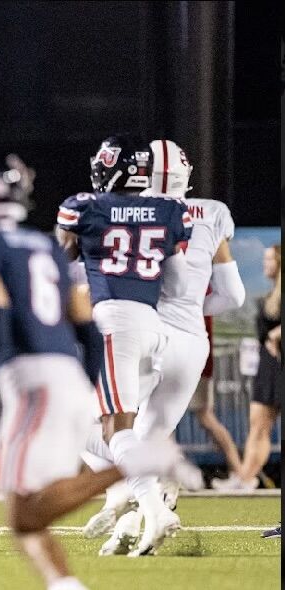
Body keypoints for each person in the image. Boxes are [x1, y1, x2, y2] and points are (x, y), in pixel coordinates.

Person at [0, 175, 200, 590]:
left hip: (33, 384)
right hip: (70, 374)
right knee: (29, 512)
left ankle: (141, 462)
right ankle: (65, 582)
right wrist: (86, 385)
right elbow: (86, 328)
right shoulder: (44, 249)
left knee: (25, 513)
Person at [84, 140, 245, 555]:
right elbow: (233, 297)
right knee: (144, 437)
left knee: (99, 429)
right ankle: (137, 518)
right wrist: (192, 309)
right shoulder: (212, 212)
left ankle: (141, 493)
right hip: (192, 341)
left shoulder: (131, 212)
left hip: (144, 330)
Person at [56, 135, 193, 557]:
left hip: (114, 322)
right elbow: (179, 285)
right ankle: (140, 496)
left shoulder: (85, 206)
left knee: (115, 428)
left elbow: (60, 260)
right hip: (155, 326)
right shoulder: (170, 210)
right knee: (95, 429)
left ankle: (155, 508)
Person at [212, 244, 281, 490]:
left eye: (269, 259)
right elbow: (264, 333)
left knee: (261, 424)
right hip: (269, 365)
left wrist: (278, 334)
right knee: (258, 424)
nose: (265, 264)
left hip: (278, 363)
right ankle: (245, 478)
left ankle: (245, 477)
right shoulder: (269, 296)